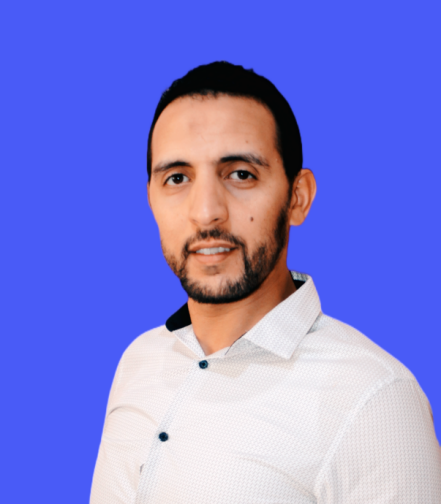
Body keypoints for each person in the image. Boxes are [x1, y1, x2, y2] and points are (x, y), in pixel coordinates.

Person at [90, 61, 441, 503]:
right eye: (177, 178)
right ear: (151, 199)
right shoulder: (139, 360)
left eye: (241, 174)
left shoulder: (375, 401)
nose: (206, 212)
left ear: (298, 197)